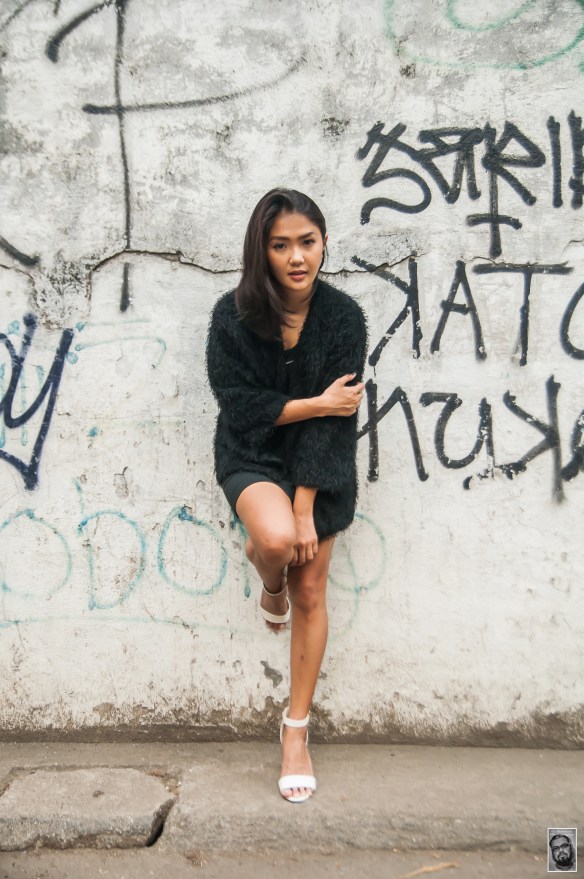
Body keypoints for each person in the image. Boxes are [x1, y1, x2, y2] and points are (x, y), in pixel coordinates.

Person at [206, 188, 367, 803]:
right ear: (262, 250)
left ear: (324, 243)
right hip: (251, 453)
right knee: (273, 541)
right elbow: (241, 408)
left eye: (307, 242)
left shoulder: (343, 317)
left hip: (319, 464)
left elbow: (337, 419)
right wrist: (317, 401)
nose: (297, 257)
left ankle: (295, 730)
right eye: (281, 245)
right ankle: (266, 572)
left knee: (311, 589)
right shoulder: (233, 315)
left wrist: (305, 507)